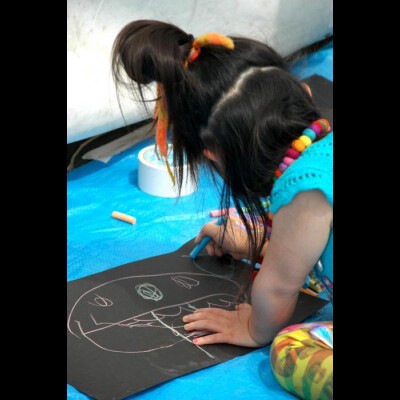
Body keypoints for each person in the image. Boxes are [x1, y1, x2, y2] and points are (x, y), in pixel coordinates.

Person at [112, 20, 333, 400]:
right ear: (302, 91)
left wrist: (254, 328)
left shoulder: (302, 190)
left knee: (291, 351)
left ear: (213, 155)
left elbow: (279, 287)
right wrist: (265, 243)